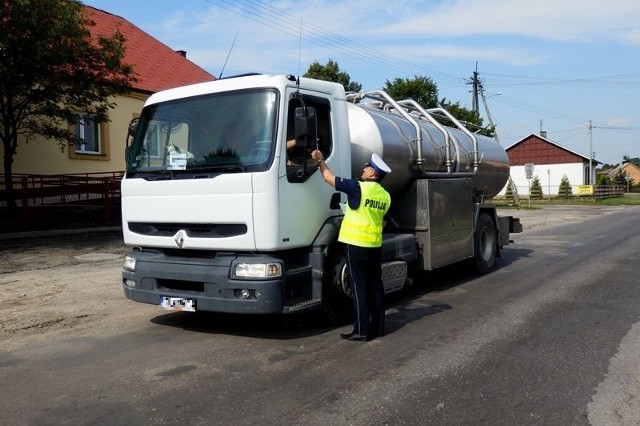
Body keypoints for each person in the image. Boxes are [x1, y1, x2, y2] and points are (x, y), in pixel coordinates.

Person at [311, 149, 392, 342]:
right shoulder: (385, 196)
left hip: (356, 244)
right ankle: (378, 327)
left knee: (359, 288)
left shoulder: (358, 187)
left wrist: (320, 160)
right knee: (375, 285)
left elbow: (329, 178)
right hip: (374, 245)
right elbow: (384, 222)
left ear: (372, 173)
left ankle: (362, 331)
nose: (364, 169)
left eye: (367, 167)